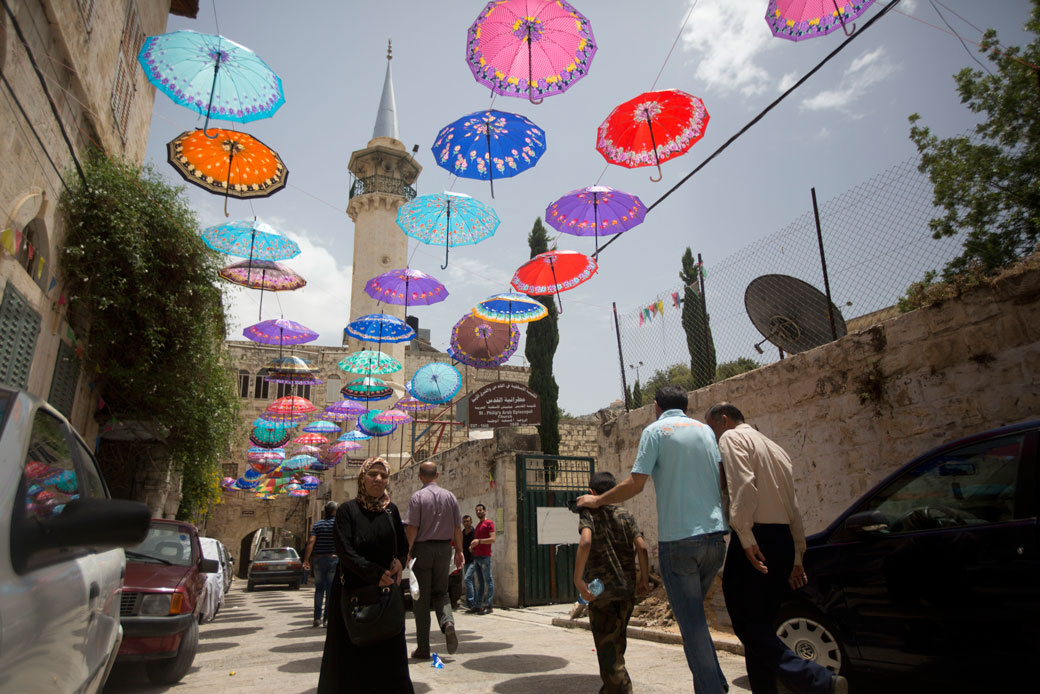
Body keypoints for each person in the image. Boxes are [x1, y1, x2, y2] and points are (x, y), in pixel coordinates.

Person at [578, 384, 729, 694]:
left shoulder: (656, 431)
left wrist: (596, 501)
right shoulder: (705, 431)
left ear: (656, 406)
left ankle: (713, 690)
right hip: (715, 541)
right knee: (695, 622)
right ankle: (716, 684)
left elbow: (636, 484)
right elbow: (721, 477)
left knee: (693, 627)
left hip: (681, 543)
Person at [705, 403, 848, 694]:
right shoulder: (775, 448)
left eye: (712, 429)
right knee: (762, 625)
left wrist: (745, 537)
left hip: (757, 539)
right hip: (781, 539)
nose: (713, 437)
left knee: (745, 623)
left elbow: (743, 486)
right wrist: (797, 553)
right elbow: (793, 505)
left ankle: (815, 679)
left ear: (723, 420)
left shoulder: (731, 438)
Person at [317, 458, 412, 693]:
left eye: (383, 475)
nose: (378, 479)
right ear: (362, 477)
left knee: (389, 655)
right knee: (352, 657)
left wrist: (400, 561)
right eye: (373, 474)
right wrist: (374, 573)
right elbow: (345, 551)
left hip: (386, 593)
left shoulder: (391, 510)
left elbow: (402, 544)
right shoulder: (348, 510)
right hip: (355, 590)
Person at [574, 471, 650, 694]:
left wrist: (578, 579)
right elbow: (643, 547)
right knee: (616, 646)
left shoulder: (590, 514)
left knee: (609, 654)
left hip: (603, 595)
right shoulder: (626, 515)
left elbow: (585, 541)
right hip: (626, 592)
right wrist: (643, 580)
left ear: (591, 493)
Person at [404, 461, 464, 659]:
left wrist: (408, 550)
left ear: (420, 476)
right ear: (437, 475)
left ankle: (423, 647)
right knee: (441, 592)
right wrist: (459, 551)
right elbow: (457, 527)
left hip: (423, 549)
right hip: (444, 549)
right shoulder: (450, 496)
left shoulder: (417, 497)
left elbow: (412, 527)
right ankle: (448, 623)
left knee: (420, 598)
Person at [303, 501, 339, 628]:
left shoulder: (318, 524)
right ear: (334, 511)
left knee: (319, 589)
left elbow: (311, 541)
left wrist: (306, 559)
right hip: (333, 559)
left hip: (318, 560)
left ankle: (316, 618)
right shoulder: (337, 524)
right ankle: (327, 619)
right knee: (330, 590)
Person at [467, 503, 495, 615]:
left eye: (480, 510)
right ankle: (478, 605)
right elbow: (476, 541)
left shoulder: (489, 523)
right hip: (476, 556)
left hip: (485, 556)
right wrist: (472, 547)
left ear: (485, 511)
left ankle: (489, 605)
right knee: (480, 582)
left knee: (488, 580)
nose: (478, 512)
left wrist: (479, 541)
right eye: (476, 510)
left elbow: (492, 539)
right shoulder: (478, 526)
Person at [461, 514, 476, 608]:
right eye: (465, 521)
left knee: (467, 579)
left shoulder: (475, 533)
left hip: (474, 560)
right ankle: (475, 601)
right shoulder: (462, 533)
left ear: (471, 522)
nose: (466, 523)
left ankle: (470, 601)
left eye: (468, 521)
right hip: (465, 560)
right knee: (471, 580)